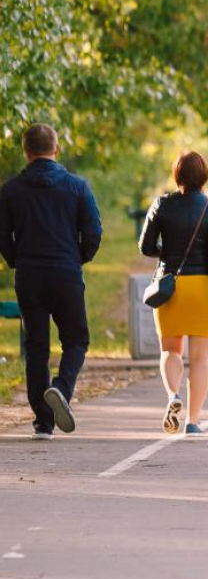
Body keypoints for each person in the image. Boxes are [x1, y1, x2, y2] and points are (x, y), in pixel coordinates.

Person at [0, 124, 102, 439]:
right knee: (76, 340)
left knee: (36, 346)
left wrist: (16, 260)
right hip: (66, 272)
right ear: (56, 149)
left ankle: (43, 422)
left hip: (29, 275)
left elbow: (3, 235)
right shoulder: (77, 186)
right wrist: (79, 257)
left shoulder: (10, 190)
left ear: (26, 151)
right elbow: (94, 231)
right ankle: (60, 388)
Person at [139, 151, 208, 436]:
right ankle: (193, 421)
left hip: (170, 286)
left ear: (177, 174)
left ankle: (172, 395)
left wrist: (168, 254)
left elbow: (146, 246)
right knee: (200, 359)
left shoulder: (162, 204)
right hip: (203, 286)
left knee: (170, 350)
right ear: (204, 175)